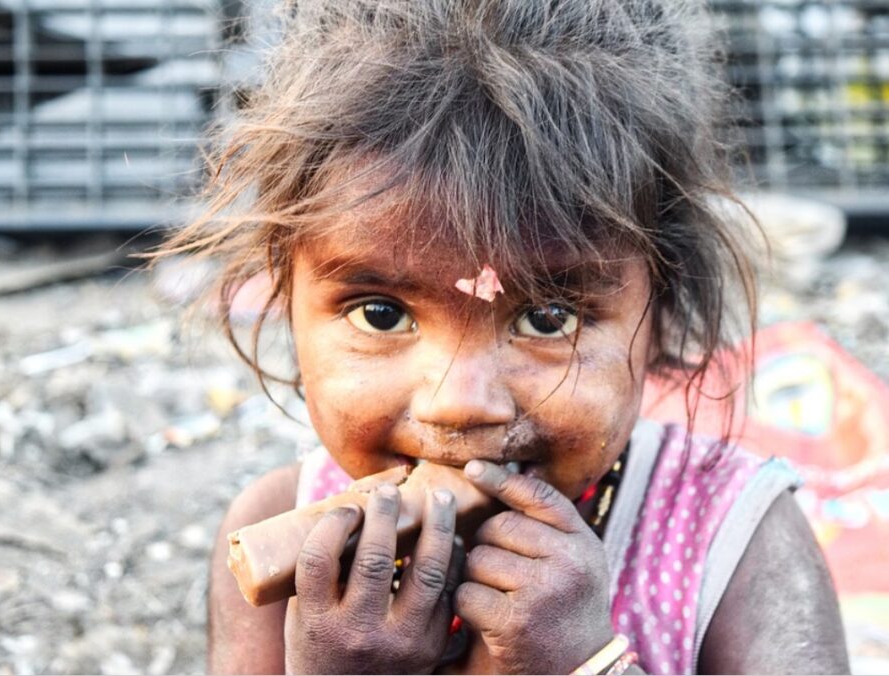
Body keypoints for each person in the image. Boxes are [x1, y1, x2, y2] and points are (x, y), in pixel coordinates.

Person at [158, 0, 850, 672]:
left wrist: (586, 664)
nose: (459, 403)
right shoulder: (284, 537)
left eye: (548, 319)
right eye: (380, 314)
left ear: (664, 312)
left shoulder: (732, 538)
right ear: (287, 295)